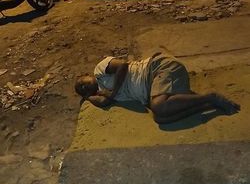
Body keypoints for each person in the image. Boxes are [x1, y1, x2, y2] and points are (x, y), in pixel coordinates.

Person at [75, 53, 240, 124]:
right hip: (155, 87)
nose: (82, 86)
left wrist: (112, 93)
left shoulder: (99, 71)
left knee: (158, 106)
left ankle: (211, 97)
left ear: (86, 74)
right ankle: (208, 105)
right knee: (161, 118)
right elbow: (103, 102)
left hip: (157, 68)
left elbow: (123, 66)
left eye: (81, 81)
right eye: (81, 89)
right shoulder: (103, 93)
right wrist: (89, 97)